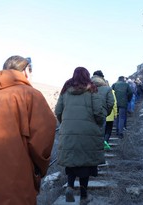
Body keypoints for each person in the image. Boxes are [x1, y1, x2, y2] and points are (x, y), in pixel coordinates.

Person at [0, 55, 57, 205]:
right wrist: (38, 170)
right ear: (26, 71)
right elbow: (43, 142)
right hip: (14, 184)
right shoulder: (31, 95)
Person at [55, 67, 106, 203]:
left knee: (71, 160)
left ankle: (70, 187)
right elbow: (98, 112)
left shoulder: (66, 89)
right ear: (87, 76)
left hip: (68, 131)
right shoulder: (92, 89)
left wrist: (65, 124)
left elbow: (58, 110)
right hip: (87, 131)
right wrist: (99, 123)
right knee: (85, 164)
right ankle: (84, 196)